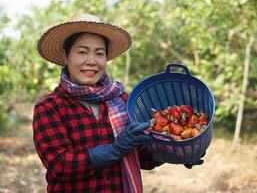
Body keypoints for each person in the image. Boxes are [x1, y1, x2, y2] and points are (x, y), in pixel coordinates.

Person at [33, 13, 204, 193]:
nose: (91, 61)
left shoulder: (122, 101)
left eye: (99, 53)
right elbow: (60, 165)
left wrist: (177, 151)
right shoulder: (49, 108)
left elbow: (143, 157)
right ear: (66, 56)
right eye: (82, 52)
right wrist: (115, 149)